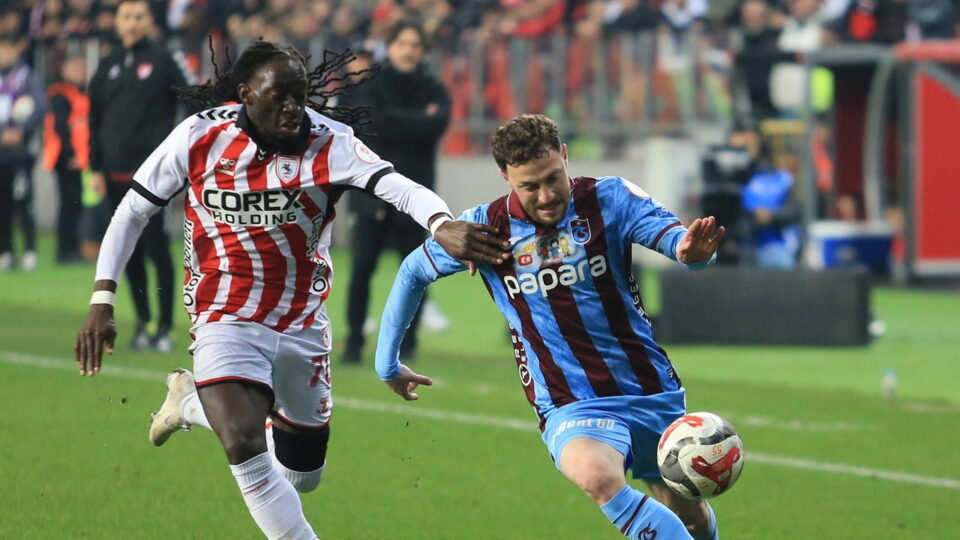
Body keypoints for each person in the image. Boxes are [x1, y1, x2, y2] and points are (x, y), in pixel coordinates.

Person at [73, 41, 511, 540]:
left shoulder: (331, 143)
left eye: (298, 96)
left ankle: (190, 403)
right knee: (242, 441)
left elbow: (400, 187)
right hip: (224, 311)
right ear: (246, 94)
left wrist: (440, 223)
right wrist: (102, 298)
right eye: (278, 96)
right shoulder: (199, 136)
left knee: (302, 475)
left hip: (301, 320)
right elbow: (132, 210)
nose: (292, 108)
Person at [375, 114, 725, 540]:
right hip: (569, 400)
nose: (545, 196)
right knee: (596, 476)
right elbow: (413, 271)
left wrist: (692, 253)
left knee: (689, 516)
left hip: (648, 386)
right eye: (529, 186)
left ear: (564, 155)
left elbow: (678, 241)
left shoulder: (609, 197)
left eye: (553, 178)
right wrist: (386, 363)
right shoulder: (485, 229)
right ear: (505, 177)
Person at [343, 20, 452, 364]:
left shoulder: (434, 87)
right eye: (402, 43)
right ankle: (353, 342)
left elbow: (436, 124)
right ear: (390, 47)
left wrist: (392, 122)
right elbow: (369, 124)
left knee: (417, 274)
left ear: (424, 51)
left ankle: (408, 345)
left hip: (416, 197)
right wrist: (417, 121)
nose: (409, 51)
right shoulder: (370, 83)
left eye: (415, 45)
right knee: (362, 270)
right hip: (371, 194)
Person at [87, 0, 192, 350]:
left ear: (149, 22)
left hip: (154, 178)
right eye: (126, 17)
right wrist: (95, 166)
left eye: (138, 17)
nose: (132, 23)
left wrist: (185, 157)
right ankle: (143, 323)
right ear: (117, 22)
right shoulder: (108, 64)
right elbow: (94, 119)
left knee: (158, 250)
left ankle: (164, 327)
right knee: (126, 252)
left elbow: (192, 103)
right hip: (113, 173)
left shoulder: (164, 59)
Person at [0, 33, 43, 272]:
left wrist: (22, 130)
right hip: (1, 151)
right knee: (2, 204)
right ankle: (5, 251)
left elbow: (40, 107)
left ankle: (29, 250)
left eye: (7, 49)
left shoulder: (26, 77)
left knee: (24, 201)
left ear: (16, 50)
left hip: (21, 153)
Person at [43, 55, 90, 264]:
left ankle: (72, 248)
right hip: (65, 157)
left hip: (77, 157)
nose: (80, 72)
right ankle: (65, 250)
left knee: (75, 203)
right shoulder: (61, 94)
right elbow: (61, 126)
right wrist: (71, 155)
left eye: (82, 68)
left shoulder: (79, 93)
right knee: (69, 204)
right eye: (76, 68)